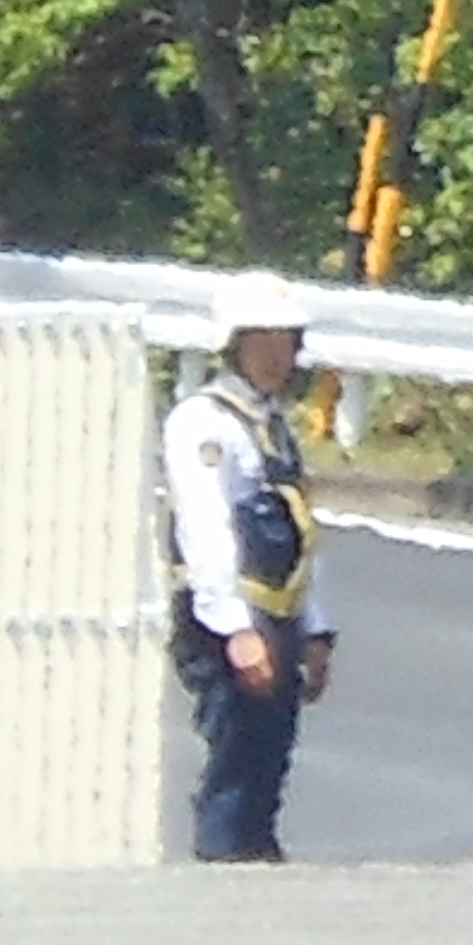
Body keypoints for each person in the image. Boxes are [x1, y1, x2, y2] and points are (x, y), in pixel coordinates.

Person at [164, 272, 334, 862]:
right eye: (264, 339)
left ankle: (257, 877)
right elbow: (205, 527)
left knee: (268, 766)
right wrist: (236, 629)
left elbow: (299, 528)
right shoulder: (203, 421)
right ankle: (222, 879)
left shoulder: (272, 423)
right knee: (234, 765)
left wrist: (315, 627)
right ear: (234, 343)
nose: (278, 354)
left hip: (279, 614)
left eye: (287, 340)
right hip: (228, 619)